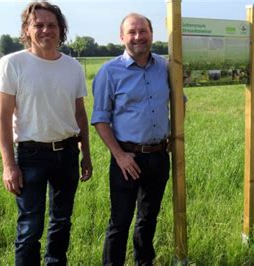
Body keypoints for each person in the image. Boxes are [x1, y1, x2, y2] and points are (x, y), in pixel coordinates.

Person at [0, 1, 92, 265]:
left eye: (52, 25)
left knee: (61, 222)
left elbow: (79, 114)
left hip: (68, 153)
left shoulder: (73, 67)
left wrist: (86, 154)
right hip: (30, 155)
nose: (46, 30)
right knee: (29, 228)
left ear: (61, 30)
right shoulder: (12, 64)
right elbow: (2, 118)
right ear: (27, 29)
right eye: (39, 25)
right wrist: (8, 166)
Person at [91, 13, 170, 265]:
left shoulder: (166, 67)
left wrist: (174, 140)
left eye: (143, 31)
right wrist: (120, 156)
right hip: (127, 158)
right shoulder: (109, 72)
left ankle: (144, 261)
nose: (138, 37)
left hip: (158, 155)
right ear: (122, 37)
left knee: (149, 217)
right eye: (132, 32)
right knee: (120, 220)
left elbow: (179, 103)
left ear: (151, 34)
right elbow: (100, 119)